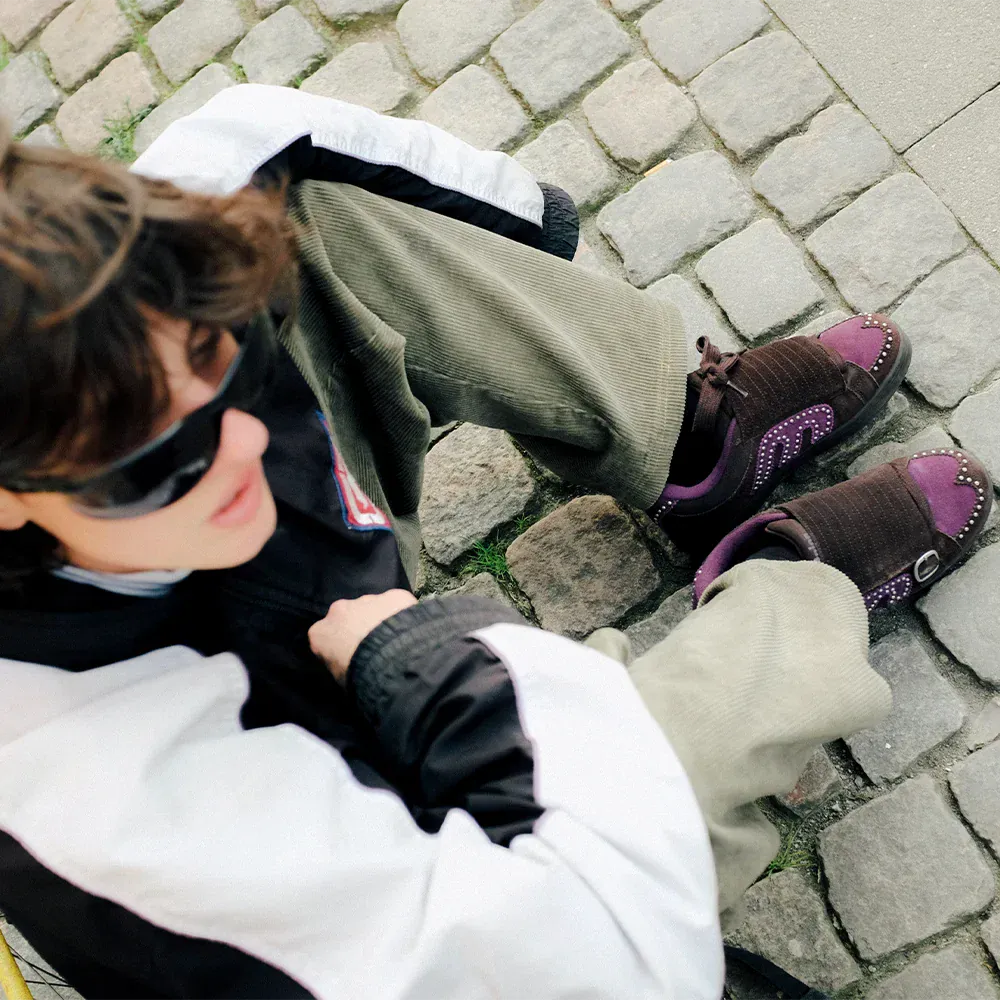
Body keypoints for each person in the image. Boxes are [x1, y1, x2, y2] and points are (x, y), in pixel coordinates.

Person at [0, 84, 990, 1000]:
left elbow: (263, 138)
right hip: (417, 861)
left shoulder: (136, 291)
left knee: (297, 226)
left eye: (217, 357)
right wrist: (429, 672)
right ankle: (787, 596)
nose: (245, 442)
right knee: (660, 762)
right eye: (157, 460)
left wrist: (526, 223)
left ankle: (688, 445)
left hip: (323, 631)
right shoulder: (105, 813)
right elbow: (586, 956)